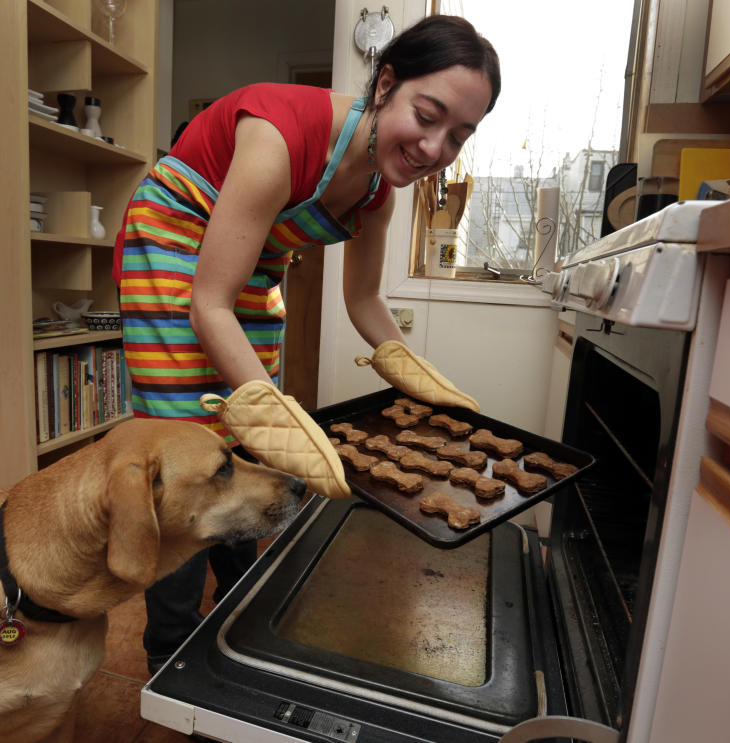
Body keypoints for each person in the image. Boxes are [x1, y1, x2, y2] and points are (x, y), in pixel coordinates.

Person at [112, 14, 501, 673]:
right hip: (174, 242)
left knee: (246, 443)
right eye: (427, 115)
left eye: (458, 136)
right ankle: (170, 651)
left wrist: (414, 374)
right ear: (386, 84)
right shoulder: (277, 137)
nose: (435, 148)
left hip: (249, 264)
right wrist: (270, 405)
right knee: (190, 447)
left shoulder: (380, 187)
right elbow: (208, 302)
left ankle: (240, 616)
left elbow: (362, 301)